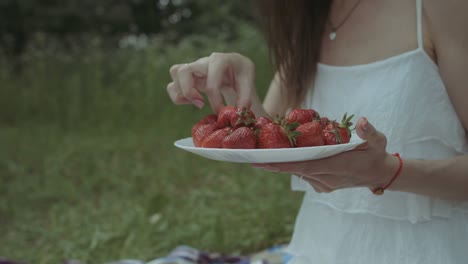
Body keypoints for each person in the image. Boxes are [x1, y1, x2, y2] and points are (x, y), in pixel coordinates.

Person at [167, 0, 468, 263]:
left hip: (428, 250)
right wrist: (235, 87)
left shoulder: (441, 6)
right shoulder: (309, 17)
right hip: (318, 248)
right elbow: (270, 142)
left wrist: (388, 172)